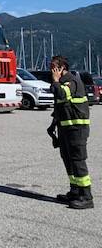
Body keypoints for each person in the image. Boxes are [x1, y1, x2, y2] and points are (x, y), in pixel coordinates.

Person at [48, 55, 93, 209]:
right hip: (65, 128)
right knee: (67, 158)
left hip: (76, 129)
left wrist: (55, 81)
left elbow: (62, 95)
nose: (51, 70)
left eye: (54, 67)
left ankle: (86, 196)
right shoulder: (60, 82)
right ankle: (75, 191)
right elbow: (60, 106)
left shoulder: (71, 80)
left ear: (62, 68)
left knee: (77, 160)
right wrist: (53, 125)